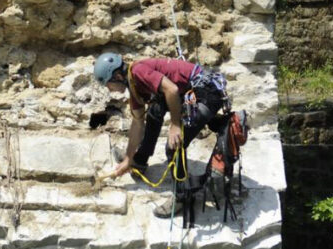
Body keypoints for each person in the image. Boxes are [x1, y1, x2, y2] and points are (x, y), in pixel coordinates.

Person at [92, 52, 230, 216]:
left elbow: (172, 89)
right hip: (194, 90)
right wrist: (129, 158)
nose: (109, 89)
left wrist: (175, 124)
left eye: (108, 84)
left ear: (116, 76)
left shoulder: (137, 72)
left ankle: (182, 196)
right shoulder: (134, 86)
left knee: (174, 145)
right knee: (155, 111)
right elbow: (137, 124)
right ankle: (139, 161)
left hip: (207, 93)